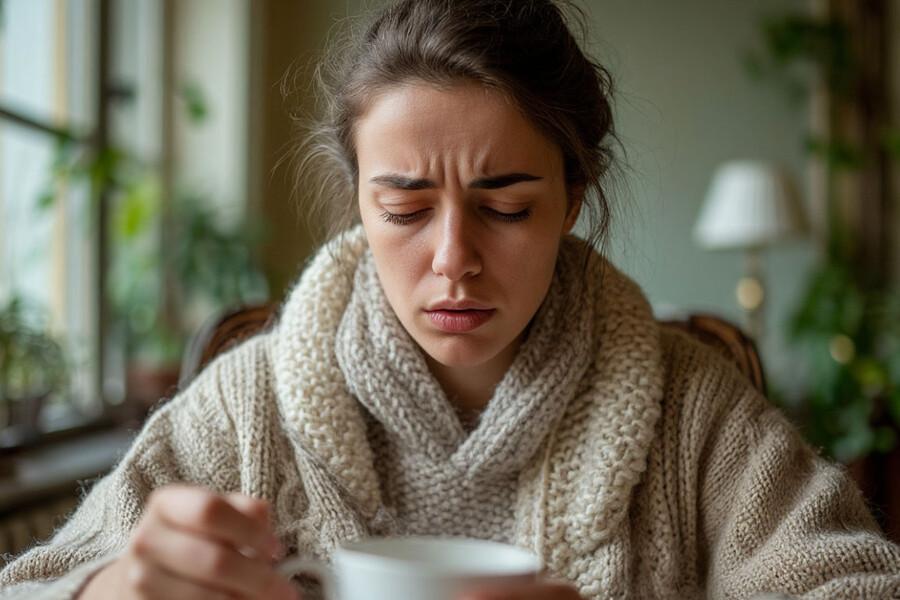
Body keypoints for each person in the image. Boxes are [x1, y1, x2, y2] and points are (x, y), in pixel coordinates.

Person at [3, 0, 900, 598]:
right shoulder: (247, 409)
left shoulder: (690, 408)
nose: (454, 259)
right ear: (358, 200)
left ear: (573, 198)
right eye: (403, 208)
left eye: (506, 207)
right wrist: (100, 590)